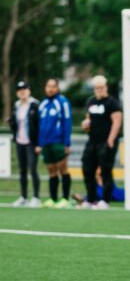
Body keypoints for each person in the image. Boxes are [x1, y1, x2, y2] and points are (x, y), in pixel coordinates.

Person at [81, 75, 122, 210]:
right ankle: (91, 198)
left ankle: (105, 200)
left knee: (105, 171)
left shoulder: (112, 102)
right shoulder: (91, 102)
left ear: (106, 87)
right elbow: (88, 120)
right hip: (93, 141)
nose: (99, 90)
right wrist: (85, 125)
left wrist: (111, 140)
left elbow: (117, 121)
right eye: (97, 88)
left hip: (106, 142)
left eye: (101, 87)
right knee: (87, 169)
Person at [37, 78, 72, 209]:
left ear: (57, 88)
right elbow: (40, 125)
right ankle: (53, 198)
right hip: (46, 143)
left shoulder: (62, 102)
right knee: (51, 171)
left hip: (58, 142)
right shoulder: (43, 103)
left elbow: (67, 122)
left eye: (53, 86)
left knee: (63, 169)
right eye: (48, 86)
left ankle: (66, 199)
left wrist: (66, 143)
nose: (50, 89)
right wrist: (39, 143)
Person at [8, 81, 41, 207]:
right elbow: (16, 124)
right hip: (20, 141)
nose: (22, 91)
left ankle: (36, 197)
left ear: (29, 90)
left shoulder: (35, 104)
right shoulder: (16, 105)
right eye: (20, 89)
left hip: (32, 142)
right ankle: (23, 196)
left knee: (32, 169)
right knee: (22, 170)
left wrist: (39, 144)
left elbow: (39, 126)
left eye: (24, 89)